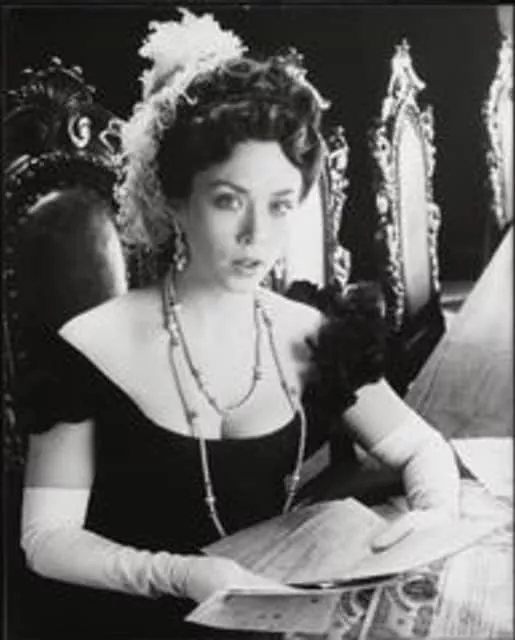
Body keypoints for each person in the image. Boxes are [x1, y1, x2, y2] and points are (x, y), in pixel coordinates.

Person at [19, 8, 460, 639]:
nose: (257, 236)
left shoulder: (311, 334)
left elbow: (421, 448)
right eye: (229, 201)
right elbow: (46, 540)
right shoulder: (87, 347)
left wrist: (434, 514)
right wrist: (175, 574)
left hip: (273, 615)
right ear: (174, 199)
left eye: (279, 205)